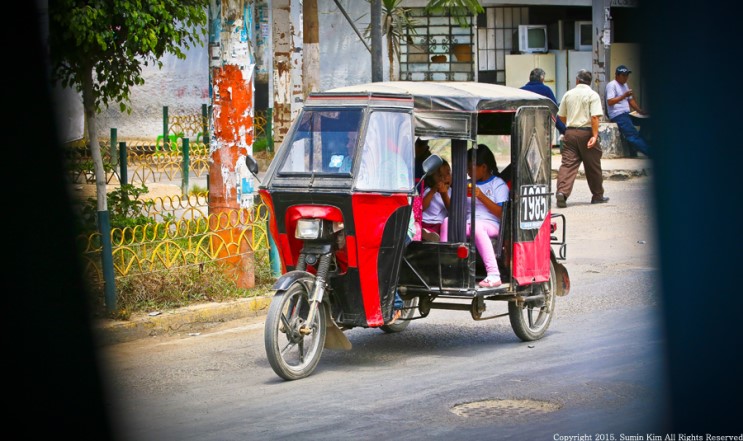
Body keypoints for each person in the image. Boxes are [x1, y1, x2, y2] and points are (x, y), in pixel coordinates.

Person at [440, 145, 509, 288]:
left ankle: (494, 274)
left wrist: (481, 196)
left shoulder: (498, 184)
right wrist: (448, 194)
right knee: (447, 222)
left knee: (477, 226)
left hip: (491, 224)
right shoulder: (466, 184)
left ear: (483, 167)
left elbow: (502, 213)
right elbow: (453, 210)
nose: (467, 172)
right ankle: (445, 269)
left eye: (471, 168)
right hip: (469, 223)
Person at [555, 69, 608, 208]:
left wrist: (570, 122)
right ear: (589, 82)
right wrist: (595, 135)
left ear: (577, 80)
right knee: (593, 165)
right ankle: (597, 195)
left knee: (567, 164)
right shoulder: (592, 95)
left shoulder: (568, 94)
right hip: (586, 133)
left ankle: (562, 192)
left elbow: (561, 116)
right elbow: (595, 117)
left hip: (570, 133)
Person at [605, 64, 651, 158]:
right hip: (618, 114)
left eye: (627, 75)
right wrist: (623, 96)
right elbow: (610, 102)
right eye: (623, 75)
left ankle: (637, 145)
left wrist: (639, 111)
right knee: (632, 135)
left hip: (627, 113)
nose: (626, 78)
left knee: (647, 121)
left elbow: (630, 100)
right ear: (617, 75)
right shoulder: (611, 85)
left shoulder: (625, 85)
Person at [520, 67, 566, 136]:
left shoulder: (521, 90)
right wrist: (563, 129)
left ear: (529, 78)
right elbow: (554, 111)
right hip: (542, 129)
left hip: (524, 128)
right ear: (542, 78)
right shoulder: (546, 90)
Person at [421, 159, 451, 239]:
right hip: (424, 221)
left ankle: (429, 235)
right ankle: (424, 233)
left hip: (438, 224)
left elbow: (451, 210)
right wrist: (433, 191)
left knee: (438, 231)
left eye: (448, 173)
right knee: (420, 227)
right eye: (440, 176)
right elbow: (422, 207)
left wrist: (444, 194)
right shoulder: (429, 190)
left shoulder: (451, 192)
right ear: (432, 177)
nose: (445, 178)